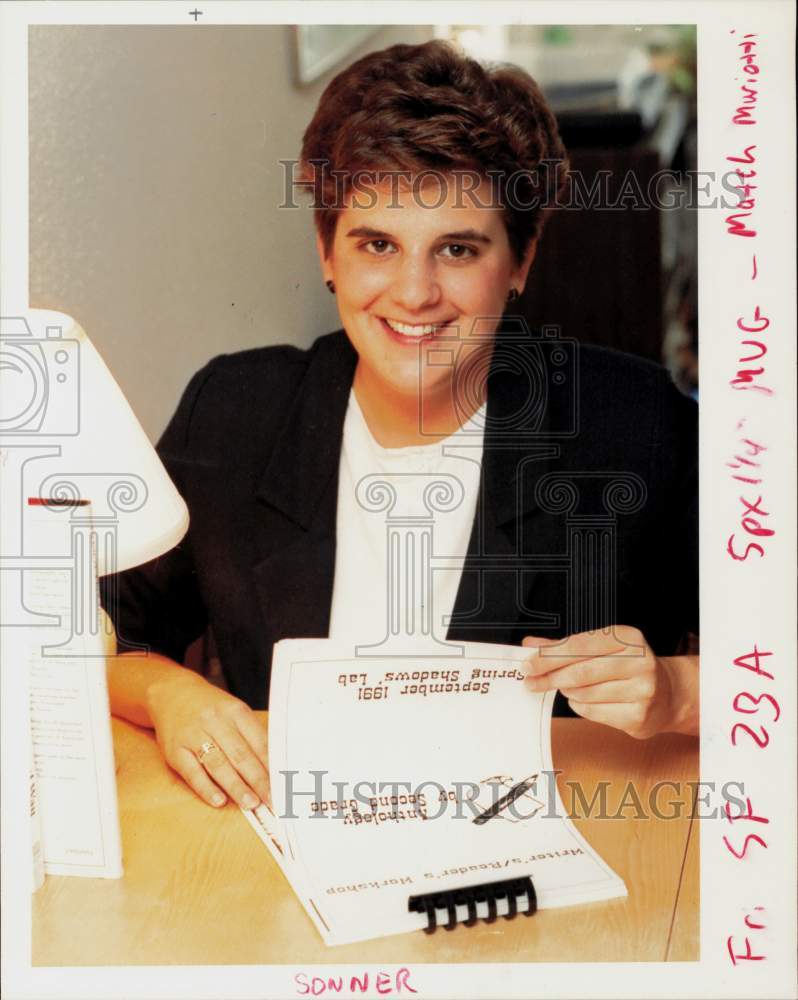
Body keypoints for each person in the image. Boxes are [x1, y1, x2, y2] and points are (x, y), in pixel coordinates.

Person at [101, 40, 699, 814]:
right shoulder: (235, 410)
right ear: (327, 251)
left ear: (520, 262)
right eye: (378, 245)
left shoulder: (637, 423)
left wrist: (678, 693)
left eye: (456, 248)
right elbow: (91, 629)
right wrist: (168, 691)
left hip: (559, 858)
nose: (415, 294)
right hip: (289, 859)